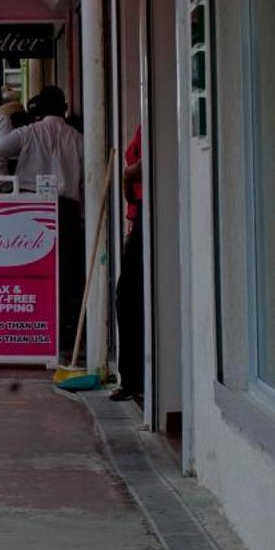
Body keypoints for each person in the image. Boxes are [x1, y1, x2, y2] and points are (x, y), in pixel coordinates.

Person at [0, 84, 85, 358]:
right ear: (64, 109)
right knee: (63, 275)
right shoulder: (77, 138)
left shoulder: (28, 132)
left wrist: (4, 188)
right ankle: (60, 335)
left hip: (30, 208)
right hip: (65, 210)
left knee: (31, 271)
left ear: (39, 110)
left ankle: (33, 330)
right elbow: (87, 180)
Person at [113, 127, 144, 403]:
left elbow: (148, 164)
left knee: (129, 298)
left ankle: (135, 379)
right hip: (139, 215)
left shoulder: (159, 124)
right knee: (128, 298)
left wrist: (127, 175)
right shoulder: (143, 126)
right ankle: (133, 377)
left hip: (149, 213)